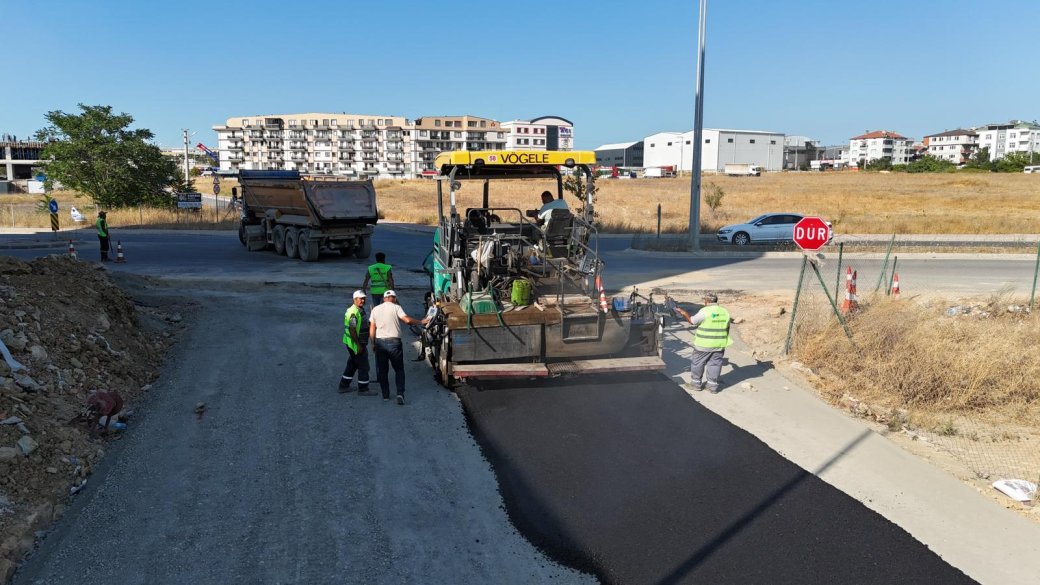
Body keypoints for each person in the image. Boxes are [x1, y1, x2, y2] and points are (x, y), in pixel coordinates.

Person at [369, 290, 429, 405]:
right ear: (394, 298)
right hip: (394, 343)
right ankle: (400, 394)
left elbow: (372, 327)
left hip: (380, 343)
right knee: (399, 369)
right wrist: (421, 321)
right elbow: (406, 320)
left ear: (384, 298)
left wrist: (373, 343)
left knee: (383, 370)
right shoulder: (396, 307)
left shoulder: (375, 309)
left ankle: (385, 395)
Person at [672, 292, 733, 394]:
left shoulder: (705, 311)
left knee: (698, 363)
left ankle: (696, 384)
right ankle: (712, 387)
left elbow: (692, 321)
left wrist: (684, 313)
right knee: (715, 364)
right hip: (719, 344)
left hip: (704, 344)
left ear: (707, 301)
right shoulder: (724, 311)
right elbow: (727, 327)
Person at [339, 290, 375, 395]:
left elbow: (363, 324)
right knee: (364, 365)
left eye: (364, 298)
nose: (363, 300)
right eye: (360, 298)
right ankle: (363, 389)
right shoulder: (353, 312)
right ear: (354, 299)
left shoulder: (360, 309)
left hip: (356, 343)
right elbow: (352, 329)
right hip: (355, 344)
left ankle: (343, 385)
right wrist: (358, 345)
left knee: (352, 364)